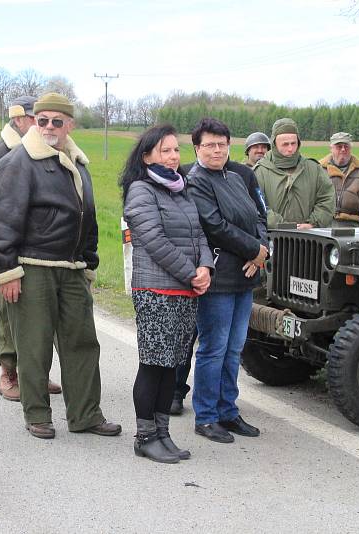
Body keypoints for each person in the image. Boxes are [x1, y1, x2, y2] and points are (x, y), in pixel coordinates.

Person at [0, 93, 121, 439]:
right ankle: (38, 415)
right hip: (33, 269)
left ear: (69, 125)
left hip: (71, 269)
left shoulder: (79, 164)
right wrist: (7, 271)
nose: (47, 127)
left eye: (56, 121)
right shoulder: (18, 162)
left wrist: (89, 266)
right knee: (34, 345)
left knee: (83, 343)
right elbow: (1, 220)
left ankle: (86, 414)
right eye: (41, 120)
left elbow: (88, 221)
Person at [121, 124, 213, 462]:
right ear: (147, 156)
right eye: (165, 150)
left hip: (185, 291)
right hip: (156, 290)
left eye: (176, 150)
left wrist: (205, 268)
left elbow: (200, 234)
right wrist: (192, 273)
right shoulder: (141, 191)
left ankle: (162, 433)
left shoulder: (181, 189)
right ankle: (145, 436)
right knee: (153, 365)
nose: (174, 157)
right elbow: (155, 241)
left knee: (171, 366)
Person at [0, 95, 62, 402]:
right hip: (9, 251)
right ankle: (8, 374)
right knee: (10, 315)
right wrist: (0, 240)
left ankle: (34, 375)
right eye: (36, 119)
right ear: (19, 120)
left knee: (40, 316)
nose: (42, 126)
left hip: (41, 251)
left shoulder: (44, 152)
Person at [185, 118, 268, 443]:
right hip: (219, 278)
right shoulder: (196, 181)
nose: (217, 149)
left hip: (246, 276)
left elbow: (259, 217)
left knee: (234, 349)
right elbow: (215, 225)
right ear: (197, 148)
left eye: (222, 144)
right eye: (210, 144)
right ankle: (205, 416)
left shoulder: (237, 177)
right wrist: (254, 249)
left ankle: (227, 410)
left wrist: (263, 250)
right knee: (213, 348)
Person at [254, 118, 334, 229]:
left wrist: (312, 223)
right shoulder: (260, 172)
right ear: (274, 144)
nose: (291, 149)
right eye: (285, 144)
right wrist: (282, 225)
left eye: (293, 143)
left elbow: (327, 199)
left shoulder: (314, 169)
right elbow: (256, 204)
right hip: (273, 239)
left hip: (310, 238)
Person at [319, 132, 359, 228]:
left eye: (346, 146)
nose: (343, 149)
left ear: (351, 148)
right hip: (323, 226)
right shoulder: (318, 170)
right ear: (331, 148)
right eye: (339, 146)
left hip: (352, 227)